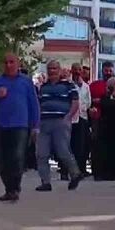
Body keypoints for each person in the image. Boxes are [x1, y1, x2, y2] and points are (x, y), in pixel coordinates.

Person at [0, 53, 40, 202]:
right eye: (6, 62)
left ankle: (15, 188)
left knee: (17, 157)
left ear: (18, 63)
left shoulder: (26, 82)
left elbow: (34, 104)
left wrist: (35, 126)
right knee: (2, 159)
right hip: (0, 125)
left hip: (20, 125)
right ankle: (9, 188)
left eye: (11, 62)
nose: (8, 65)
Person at [35, 60, 84, 191]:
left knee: (63, 151)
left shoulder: (69, 85)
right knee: (41, 153)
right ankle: (45, 182)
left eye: (54, 68)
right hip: (44, 122)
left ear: (59, 70)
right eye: (50, 68)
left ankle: (75, 174)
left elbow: (75, 102)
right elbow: (39, 104)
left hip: (60, 122)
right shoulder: (43, 87)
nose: (52, 71)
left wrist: (68, 117)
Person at [66, 62, 91, 179]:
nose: (77, 72)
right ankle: (67, 170)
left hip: (82, 117)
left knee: (81, 145)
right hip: (70, 118)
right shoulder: (68, 84)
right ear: (72, 71)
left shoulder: (86, 86)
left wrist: (82, 108)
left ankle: (80, 169)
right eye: (75, 69)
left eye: (79, 70)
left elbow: (88, 102)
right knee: (69, 144)